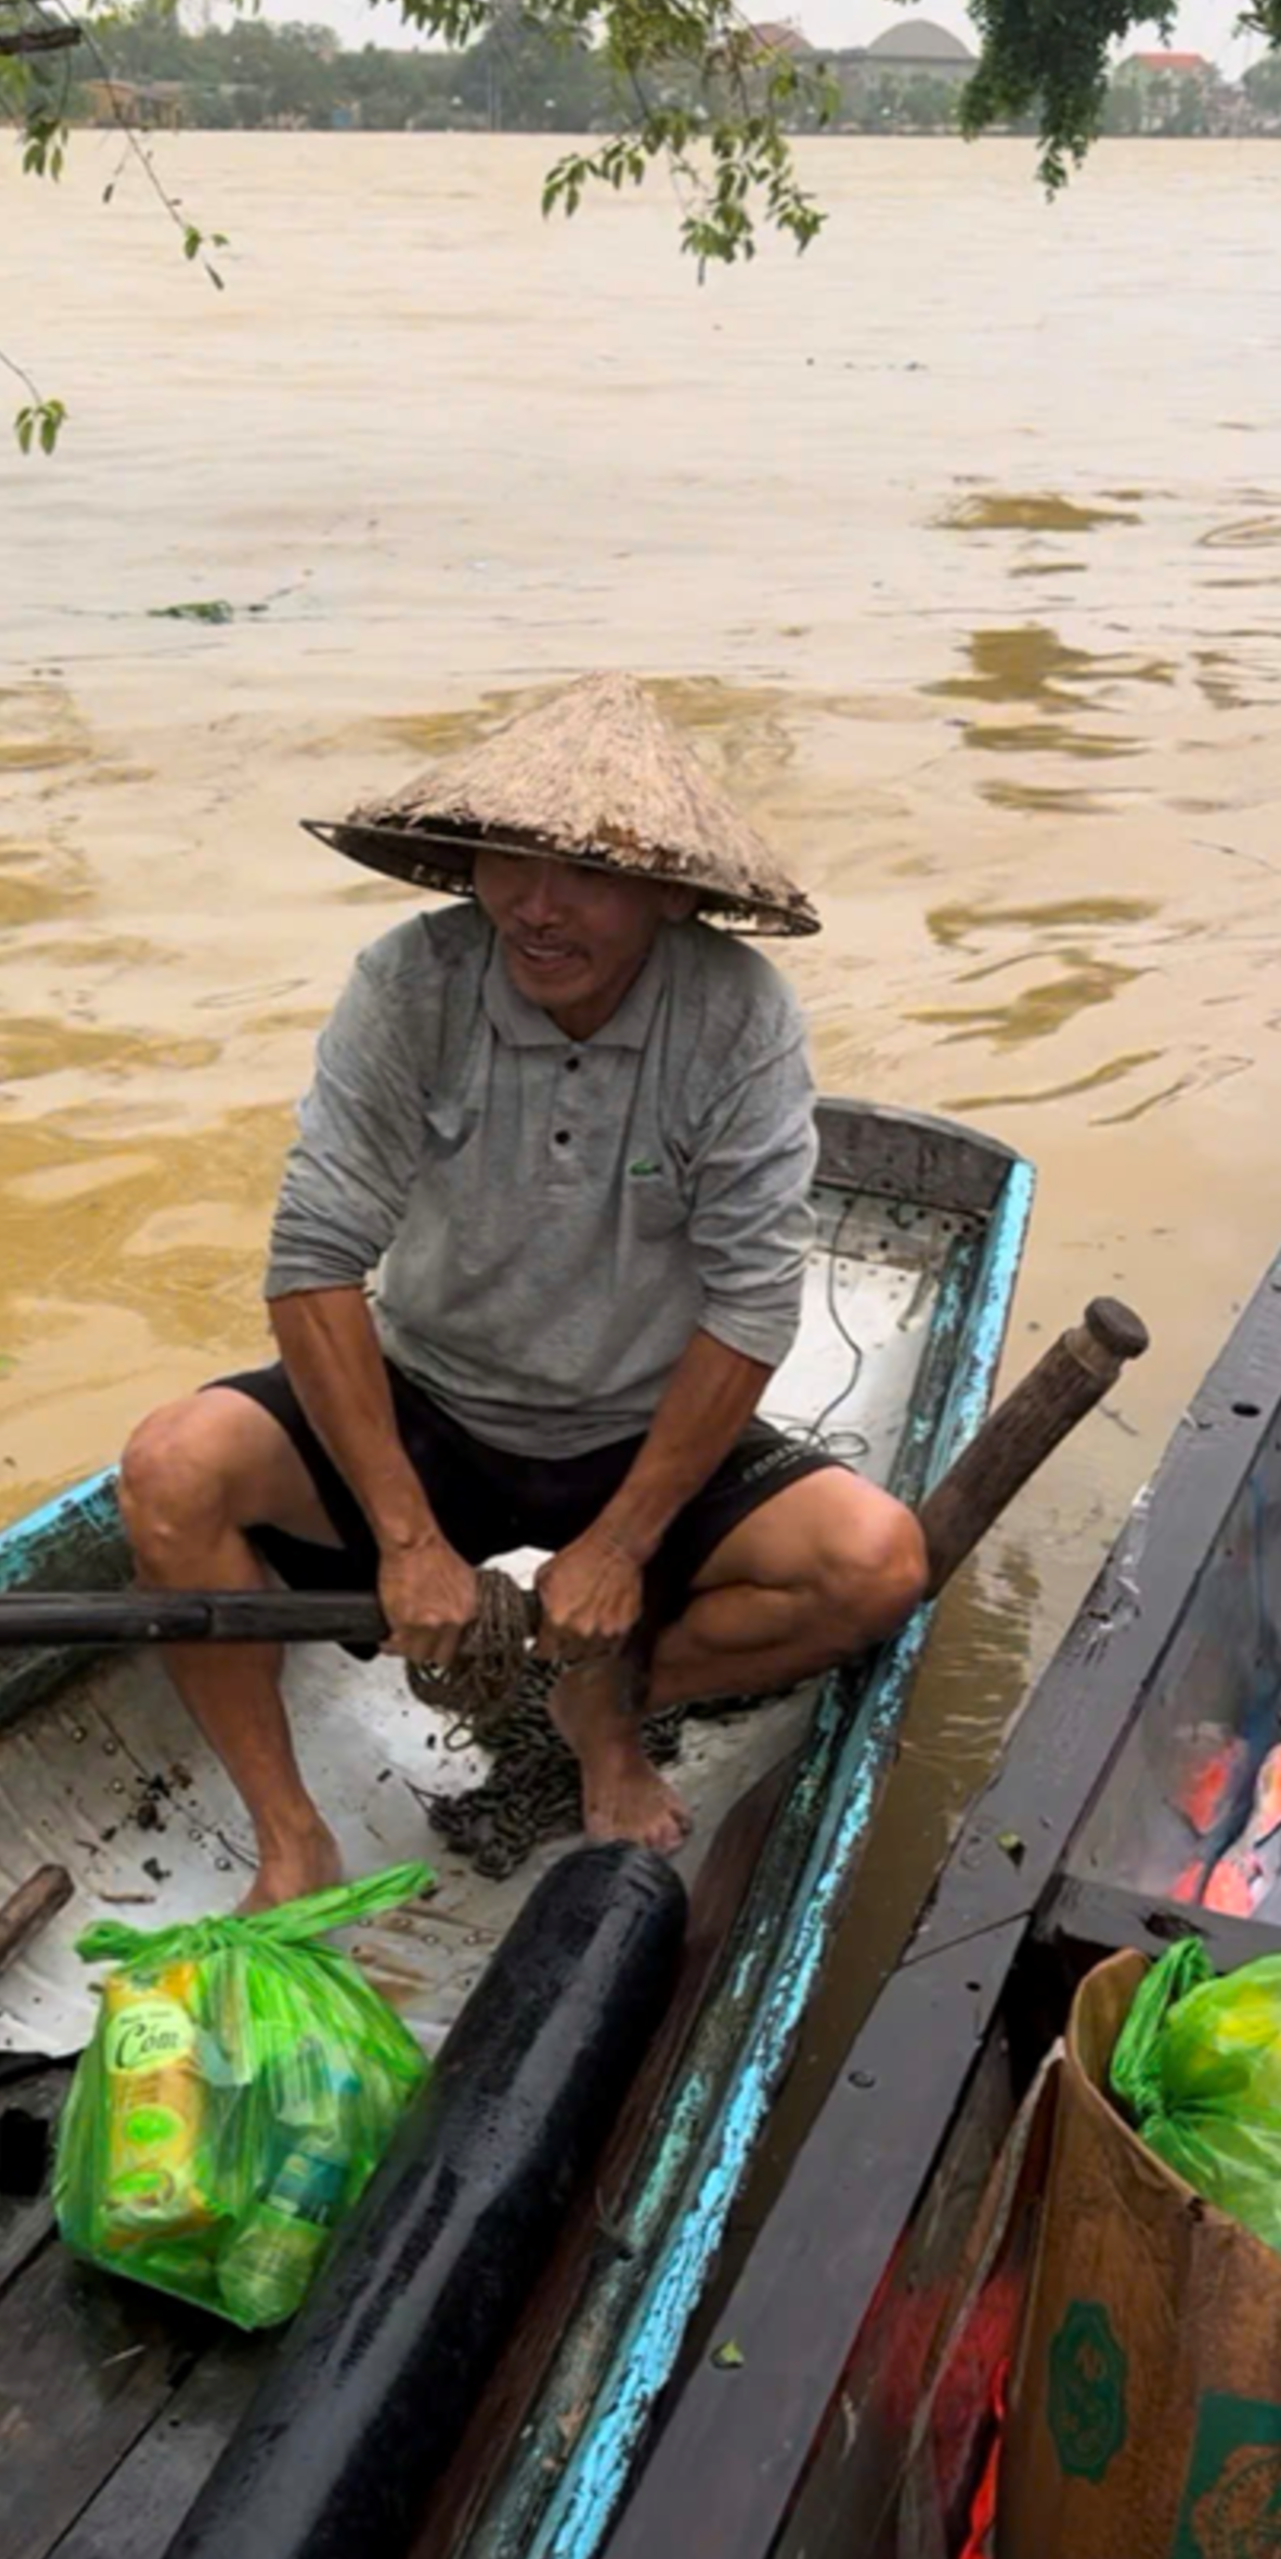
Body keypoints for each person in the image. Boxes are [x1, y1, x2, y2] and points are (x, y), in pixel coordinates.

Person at [118, 671, 927, 1906]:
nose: (538, 911)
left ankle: (604, 1692)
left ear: (667, 891)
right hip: (429, 1400)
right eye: (509, 863)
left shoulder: (735, 1017)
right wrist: (404, 1536)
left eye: (590, 875)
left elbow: (752, 1301)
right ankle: (291, 1833)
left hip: (637, 1425)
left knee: (873, 1567)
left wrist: (617, 1545)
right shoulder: (411, 984)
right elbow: (317, 1255)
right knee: (173, 1468)